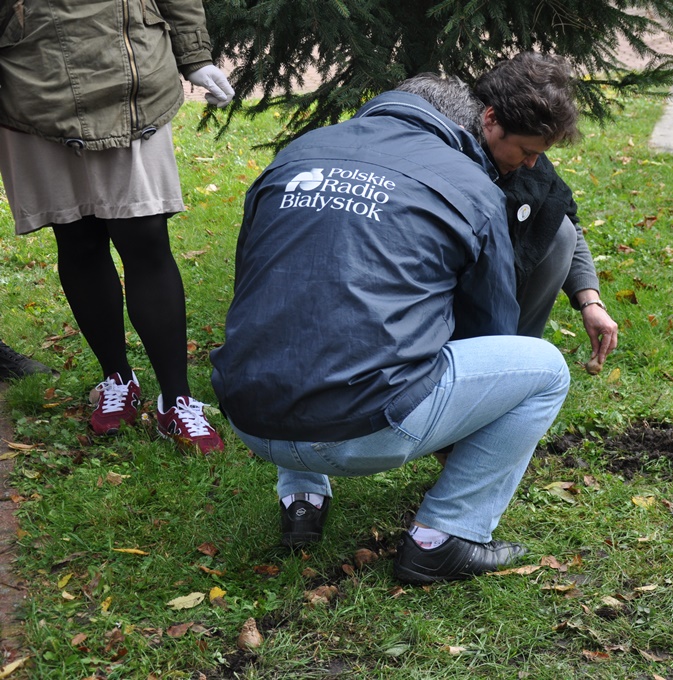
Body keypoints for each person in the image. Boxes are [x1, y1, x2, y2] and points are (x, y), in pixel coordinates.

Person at [210, 75, 571, 584]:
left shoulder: (297, 155)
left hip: (250, 417)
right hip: (360, 432)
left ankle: (301, 499)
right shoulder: (471, 186)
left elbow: (255, 284)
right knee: (546, 369)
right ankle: (445, 537)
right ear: (469, 122)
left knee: (296, 310)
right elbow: (490, 330)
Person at [0, 1, 232, 453]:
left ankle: (177, 401)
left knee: (145, 238)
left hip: (132, 79)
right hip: (34, 81)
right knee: (78, 239)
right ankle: (118, 379)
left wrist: (195, 57)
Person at [475, 52, 619, 369]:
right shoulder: (454, 164)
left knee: (561, 230)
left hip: (504, 301)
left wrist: (590, 301)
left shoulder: (527, 164)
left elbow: (566, 221)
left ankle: (516, 356)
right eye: (527, 151)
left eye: (540, 153)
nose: (532, 163)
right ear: (491, 119)